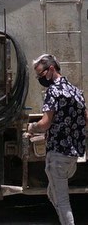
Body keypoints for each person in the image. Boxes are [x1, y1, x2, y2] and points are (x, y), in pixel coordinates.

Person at [28, 54, 86, 225]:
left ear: (51, 69)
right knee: (52, 194)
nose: (40, 78)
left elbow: (45, 123)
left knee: (62, 202)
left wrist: (32, 127)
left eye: (41, 74)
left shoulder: (53, 91)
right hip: (73, 157)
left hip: (58, 154)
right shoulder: (76, 91)